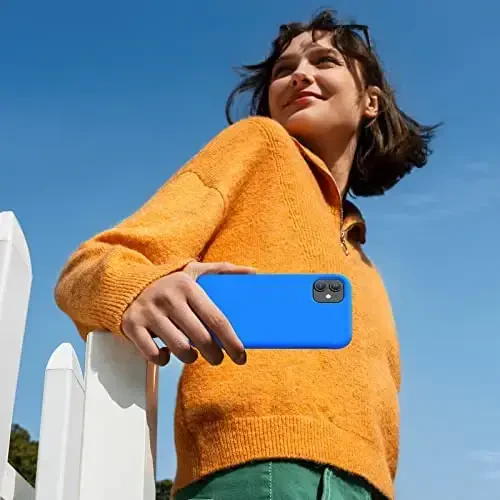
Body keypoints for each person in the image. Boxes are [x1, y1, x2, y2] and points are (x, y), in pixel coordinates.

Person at [55, 9, 438, 500]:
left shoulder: (366, 264)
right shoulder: (258, 144)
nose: (300, 74)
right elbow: (89, 265)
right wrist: (138, 288)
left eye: (324, 61)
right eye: (284, 69)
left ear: (370, 102)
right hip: (250, 473)